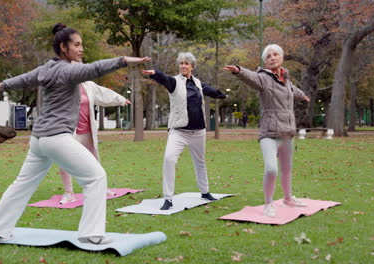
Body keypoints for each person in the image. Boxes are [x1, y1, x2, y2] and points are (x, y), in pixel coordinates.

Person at [0, 23, 150, 245]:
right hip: (56, 138)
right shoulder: (69, 70)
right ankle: (91, 234)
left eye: (82, 45)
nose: (81, 50)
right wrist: (122, 61)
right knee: (96, 177)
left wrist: (1, 85)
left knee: (22, 183)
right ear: (63, 47)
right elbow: (95, 69)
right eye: (77, 45)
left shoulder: (46, 68)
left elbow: (24, 79)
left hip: (39, 139)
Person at [223, 44, 310, 217]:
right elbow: (251, 77)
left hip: (287, 132)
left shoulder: (287, 79)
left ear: (281, 58)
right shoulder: (264, 78)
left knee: (286, 169)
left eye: (275, 54)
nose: (272, 57)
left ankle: (288, 198)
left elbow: (292, 90)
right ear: (265, 61)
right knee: (272, 169)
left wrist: (303, 95)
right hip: (269, 133)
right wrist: (238, 70)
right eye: (268, 56)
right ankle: (269, 203)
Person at [142, 52, 227, 210]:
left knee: (200, 162)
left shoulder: (197, 83)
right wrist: (155, 74)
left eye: (186, 63)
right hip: (179, 131)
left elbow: (209, 90)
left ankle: (205, 192)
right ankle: (168, 198)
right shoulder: (175, 82)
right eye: (181, 63)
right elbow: (165, 79)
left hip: (198, 131)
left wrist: (221, 94)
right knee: (169, 159)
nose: (183, 66)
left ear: (192, 67)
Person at [59, 76, 131, 204]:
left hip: (87, 131)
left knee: (94, 161)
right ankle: (69, 193)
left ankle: (101, 188)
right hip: (70, 131)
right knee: (64, 161)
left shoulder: (88, 85)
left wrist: (121, 99)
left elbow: (104, 94)